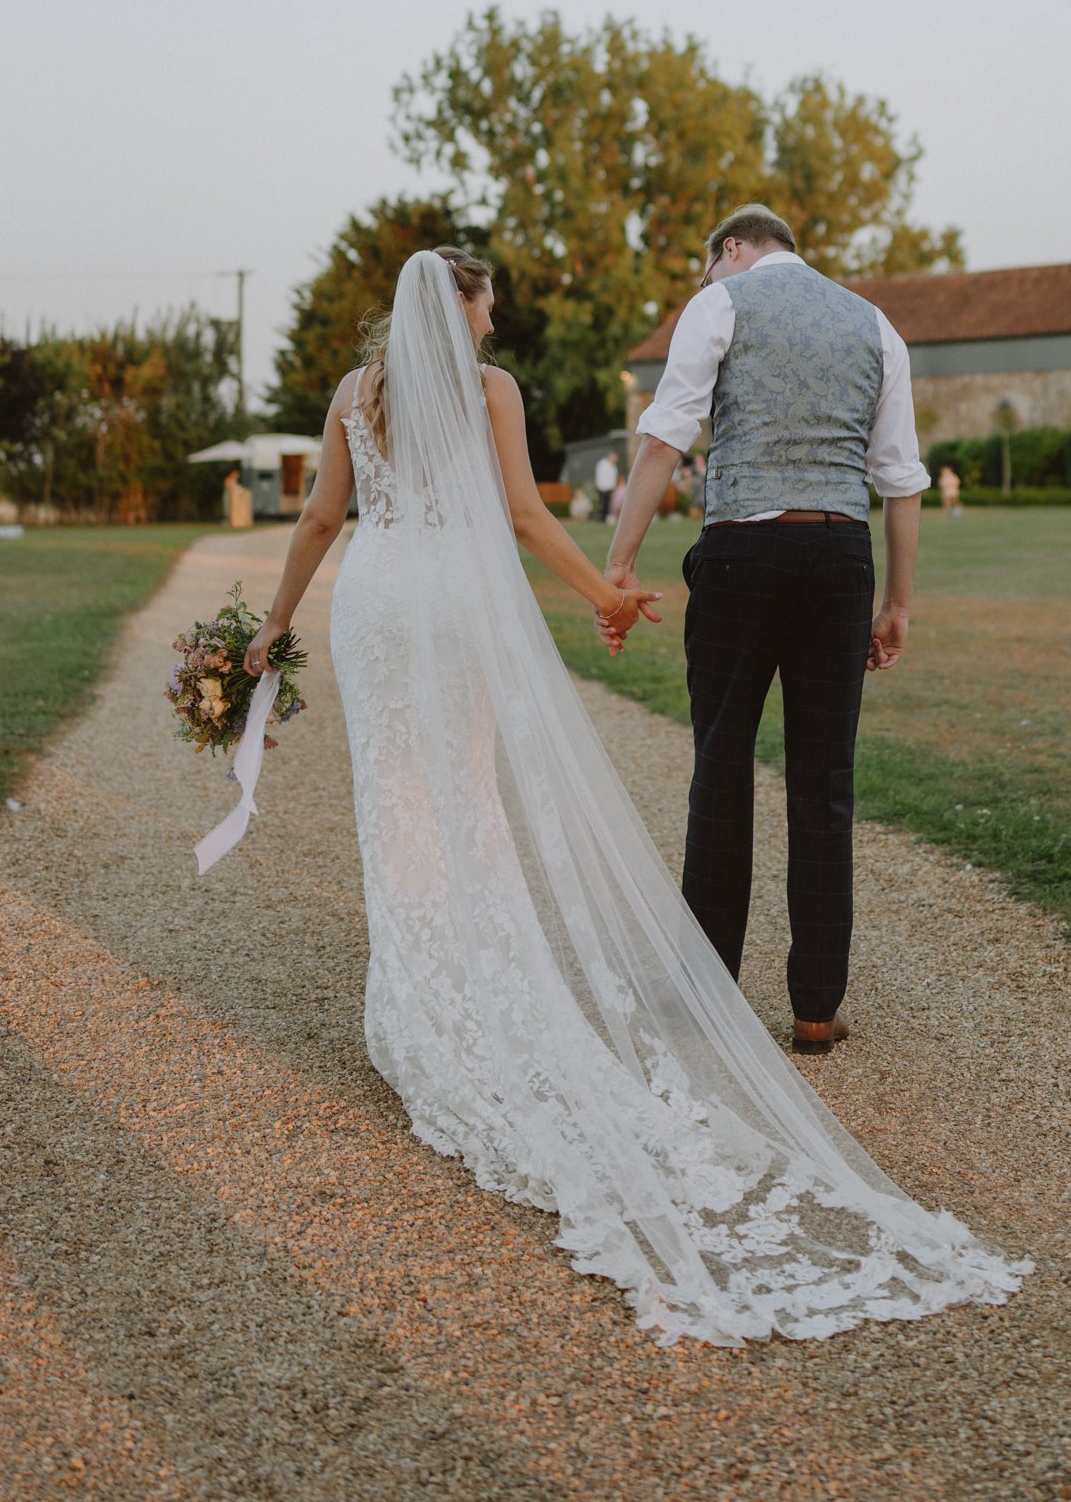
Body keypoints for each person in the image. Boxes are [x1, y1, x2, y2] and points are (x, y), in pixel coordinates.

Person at [245, 245, 1023, 1347]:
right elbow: (519, 511)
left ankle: (415, 1000)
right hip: (459, 600)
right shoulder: (487, 389)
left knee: (395, 798)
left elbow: (324, 519)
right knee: (468, 795)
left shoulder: (351, 393)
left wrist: (274, 626)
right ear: (459, 305)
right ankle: (473, 984)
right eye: (488, 306)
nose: (492, 323)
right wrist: (603, 588)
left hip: (375, 600)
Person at [604, 204, 925, 1058]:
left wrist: (619, 565)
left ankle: (709, 998)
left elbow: (666, 438)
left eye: (710, 265)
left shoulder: (722, 301)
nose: (706, 280)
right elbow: (901, 479)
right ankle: (817, 1010)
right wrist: (897, 604)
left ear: (733, 249)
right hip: (840, 554)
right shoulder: (874, 323)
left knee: (721, 763)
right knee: (825, 783)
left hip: (744, 547)